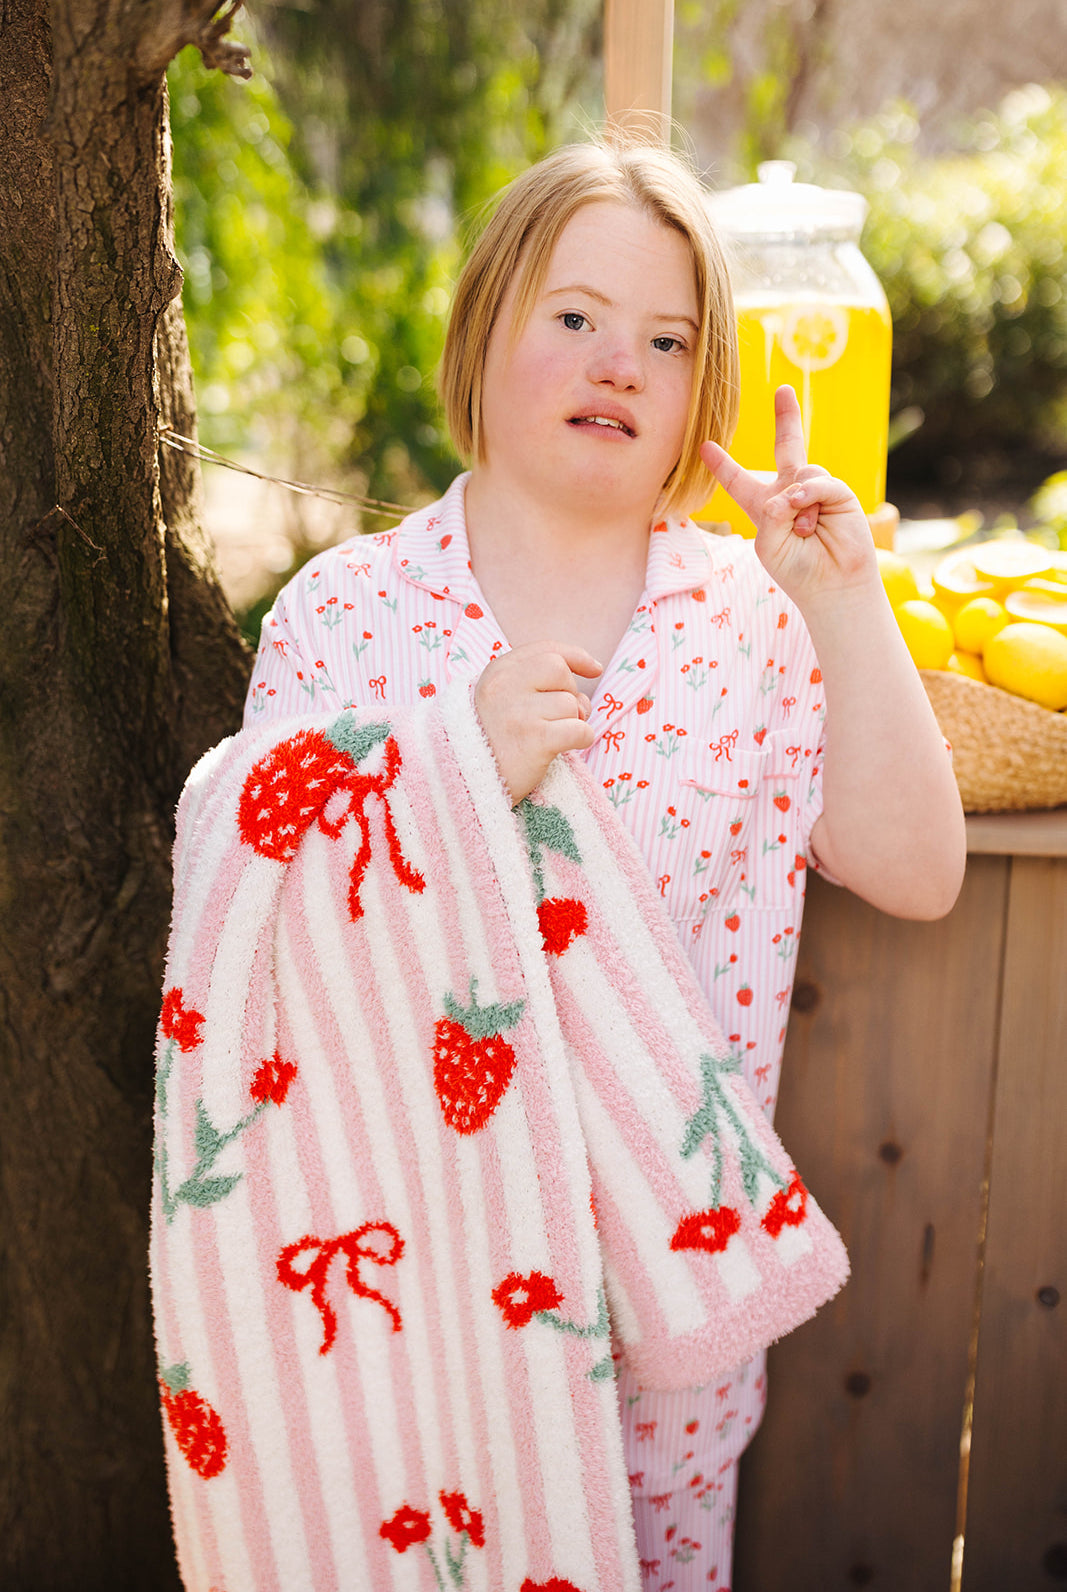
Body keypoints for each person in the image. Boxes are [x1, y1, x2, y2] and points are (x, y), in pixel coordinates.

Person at [243, 135, 966, 1590]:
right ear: (482, 333)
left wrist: (841, 604)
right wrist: (450, 771)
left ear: (703, 391)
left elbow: (917, 869)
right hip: (416, 1290)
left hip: (661, 1321)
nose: (618, 361)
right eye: (573, 317)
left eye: (666, 337)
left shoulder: (748, 624)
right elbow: (262, 933)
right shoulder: (347, 618)